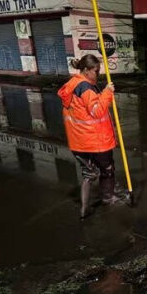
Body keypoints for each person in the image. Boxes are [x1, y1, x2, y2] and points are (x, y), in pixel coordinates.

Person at [57, 54, 122, 219]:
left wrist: (102, 92)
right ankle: (108, 197)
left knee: (89, 174)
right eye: (96, 71)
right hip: (94, 141)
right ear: (86, 70)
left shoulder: (73, 84)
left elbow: (85, 109)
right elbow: (96, 111)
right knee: (107, 169)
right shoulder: (85, 87)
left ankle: (84, 209)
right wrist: (107, 92)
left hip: (78, 142)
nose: (98, 74)